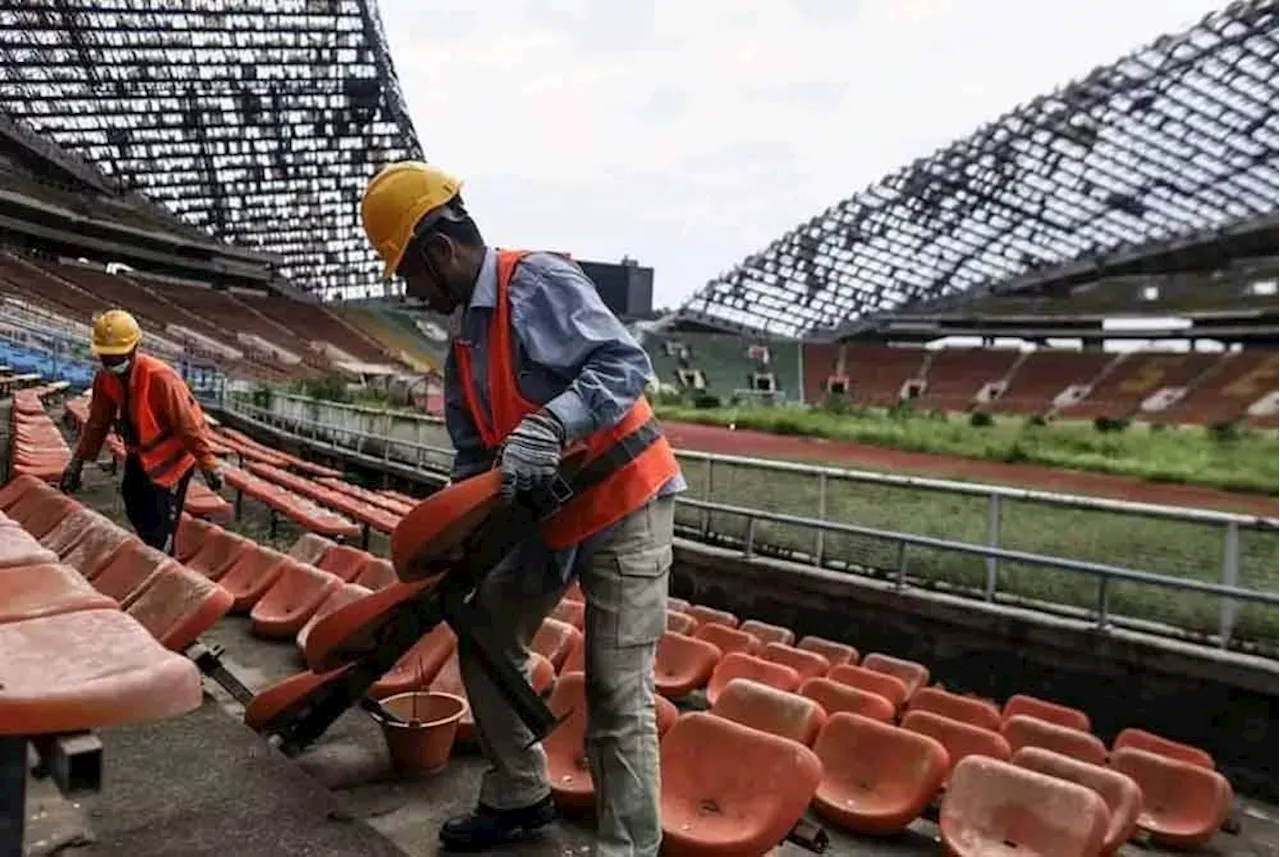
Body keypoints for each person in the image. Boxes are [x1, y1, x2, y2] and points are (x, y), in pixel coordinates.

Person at [360, 161, 685, 856]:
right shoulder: (466, 339)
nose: (410, 291)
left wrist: (552, 423)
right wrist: (460, 535)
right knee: (485, 630)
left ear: (440, 252)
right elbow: (476, 456)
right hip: (548, 512)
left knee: (615, 685)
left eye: (409, 274)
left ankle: (628, 846)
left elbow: (626, 364)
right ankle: (520, 792)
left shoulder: (535, 281)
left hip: (625, 500)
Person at [60, 309, 224, 555]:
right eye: (106, 357)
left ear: (134, 347)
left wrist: (209, 464)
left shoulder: (161, 378)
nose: (111, 363)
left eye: (116, 357)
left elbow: (188, 425)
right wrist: (77, 463)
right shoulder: (105, 378)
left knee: (159, 522)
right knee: (133, 500)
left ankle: (166, 565)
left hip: (173, 462)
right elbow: (97, 423)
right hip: (141, 454)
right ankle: (155, 556)